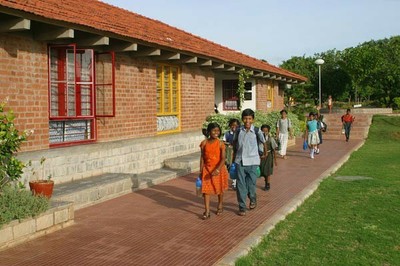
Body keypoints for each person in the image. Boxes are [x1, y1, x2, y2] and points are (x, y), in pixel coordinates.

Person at [233, 108, 266, 216]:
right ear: (242, 119)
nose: (247, 121)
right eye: (245, 118)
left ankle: (252, 198)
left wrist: (264, 153)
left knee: (251, 184)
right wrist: (233, 159)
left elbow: (263, 142)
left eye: (249, 119)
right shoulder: (238, 130)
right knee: (240, 185)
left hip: (253, 161)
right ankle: (242, 206)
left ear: (253, 120)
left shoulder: (256, 131)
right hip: (240, 161)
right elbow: (234, 144)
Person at [199, 122, 229, 220]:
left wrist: (218, 169)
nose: (216, 132)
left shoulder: (221, 144)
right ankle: (207, 211)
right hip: (207, 170)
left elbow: (223, 158)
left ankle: (220, 204)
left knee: (219, 189)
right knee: (205, 190)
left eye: (217, 131)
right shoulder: (204, 143)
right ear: (209, 131)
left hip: (218, 169)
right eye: (213, 130)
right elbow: (202, 157)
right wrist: (201, 170)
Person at [223, 118, 240, 190]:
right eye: (232, 125)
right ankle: (233, 182)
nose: (234, 127)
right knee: (231, 167)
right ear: (230, 126)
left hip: (237, 153)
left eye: (236, 126)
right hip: (229, 153)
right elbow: (223, 141)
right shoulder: (227, 133)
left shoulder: (239, 133)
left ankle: (236, 183)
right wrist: (228, 144)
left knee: (237, 167)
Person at [259, 124, 278, 191]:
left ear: (268, 131)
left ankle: (268, 184)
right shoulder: (259, 138)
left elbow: (274, 150)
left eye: (266, 131)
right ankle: (265, 181)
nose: (264, 132)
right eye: (263, 131)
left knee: (268, 171)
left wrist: (275, 160)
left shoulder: (270, 139)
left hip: (268, 156)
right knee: (262, 170)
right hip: (261, 156)